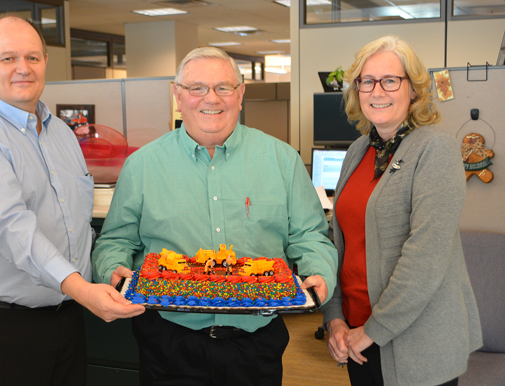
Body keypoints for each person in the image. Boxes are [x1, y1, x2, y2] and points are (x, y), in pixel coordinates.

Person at [92, 47, 338, 386]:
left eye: (224, 87)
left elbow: (310, 235)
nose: (211, 98)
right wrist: (113, 270)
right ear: (178, 96)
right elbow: (115, 240)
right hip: (168, 342)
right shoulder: (142, 166)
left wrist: (320, 272)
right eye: (197, 88)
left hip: (255, 342)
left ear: (240, 95)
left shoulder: (282, 160)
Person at [0, 15, 144, 386]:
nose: (22, 69)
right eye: (8, 58)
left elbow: (74, 228)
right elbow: (15, 231)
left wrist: (101, 271)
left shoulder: (61, 133)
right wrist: (84, 290)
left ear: (45, 61)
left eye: (32, 57)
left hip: (65, 320)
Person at [321, 35, 482, 386]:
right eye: (367, 81)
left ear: (414, 90)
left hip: (414, 340)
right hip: (354, 334)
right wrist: (334, 318)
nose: (377, 91)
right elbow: (338, 245)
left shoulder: (435, 149)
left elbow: (425, 256)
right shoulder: (358, 150)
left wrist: (374, 330)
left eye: (390, 80)